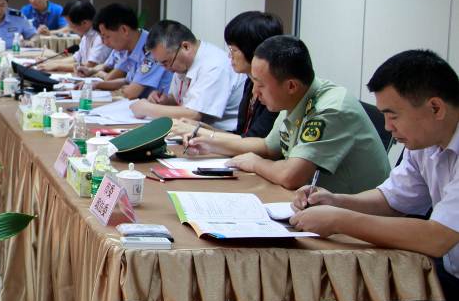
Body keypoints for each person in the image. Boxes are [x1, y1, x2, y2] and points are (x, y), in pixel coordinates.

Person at [253, 50, 459, 301]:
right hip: (449, 276)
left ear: (435, 107)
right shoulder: (425, 142)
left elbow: (437, 237)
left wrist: (340, 220)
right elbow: (393, 199)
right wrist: (336, 201)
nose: (388, 128)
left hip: (447, 270)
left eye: (393, 115)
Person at [186, 35, 390, 193]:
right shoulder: (296, 97)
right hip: (319, 206)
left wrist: (255, 163)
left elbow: (291, 176)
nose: (255, 93)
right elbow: (268, 147)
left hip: (358, 220)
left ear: (291, 85)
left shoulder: (330, 109)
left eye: (260, 85)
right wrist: (210, 143)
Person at [172, 10, 283, 141]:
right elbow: (241, 136)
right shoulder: (249, 81)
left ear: (253, 50)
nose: (230, 56)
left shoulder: (274, 90)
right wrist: (200, 128)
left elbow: (255, 141)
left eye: (233, 50)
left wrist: (202, 132)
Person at [129, 20, 245, 131]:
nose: (166, 69)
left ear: (186, 47)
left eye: (166, 62)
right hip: (197, 130)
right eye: (160, 64)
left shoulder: (214, 65)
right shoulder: (181, 62)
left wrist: (148, 109)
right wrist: (165, 100)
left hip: (224, 134)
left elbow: (195, 114)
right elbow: (179, 100)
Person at [90, 3, 173, 99]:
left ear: (124, 30)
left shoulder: (152, 48)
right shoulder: (129, 47)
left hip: (160, 105)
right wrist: (96, 85)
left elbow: (131, 93)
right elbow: (127, 81)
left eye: (107, 36)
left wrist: (126, 88)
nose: (105, 42)